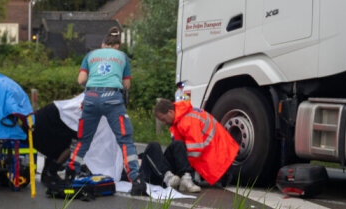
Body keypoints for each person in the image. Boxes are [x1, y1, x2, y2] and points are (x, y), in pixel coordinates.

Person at [71, 27, 144, 195]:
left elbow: (81, 79)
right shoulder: (122, 57)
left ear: (103, 44)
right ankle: (136, 180)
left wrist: (94, 86)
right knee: (125, 140)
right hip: (112, 98)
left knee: (84, 139)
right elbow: (126, 85)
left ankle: (71, 172)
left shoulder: (90, 55)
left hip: (90, 97)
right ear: (118, 45)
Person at [152, 98, 240, 189]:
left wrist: (184, 172)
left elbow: (194, 150)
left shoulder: (187, 121)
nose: (164, 123)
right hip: (222, 156)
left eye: (163, 119)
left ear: (170, 112)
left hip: (218, 162)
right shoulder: (184, 117)